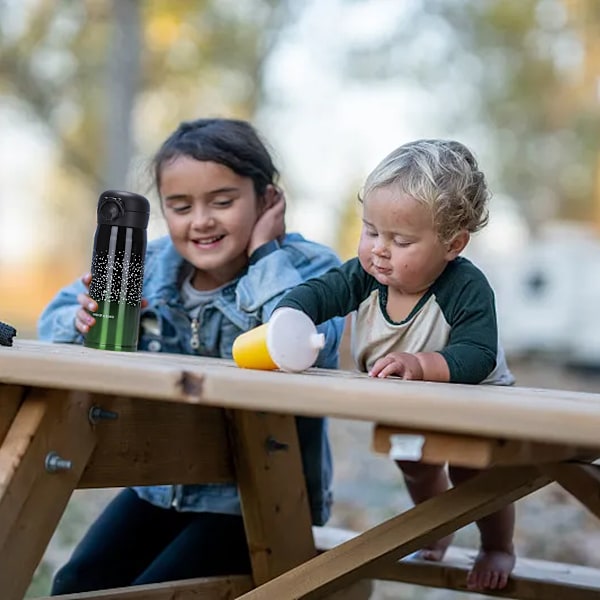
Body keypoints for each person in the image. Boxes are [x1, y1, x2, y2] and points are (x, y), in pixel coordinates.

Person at [38, 118, 345, 594]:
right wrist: (83, 322)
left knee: (160, 589)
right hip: (160, 489)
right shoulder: (150, 263)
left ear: (267, 200)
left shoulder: (310, 268)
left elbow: (309, 346)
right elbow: (52, 320)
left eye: (222, 202)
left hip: (257, 497)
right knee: (77, 582)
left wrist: (265, 257)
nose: (200, 220)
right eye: (179, 206)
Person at [273, 138, 516, 592]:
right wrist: (292, 314)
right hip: (407, 402)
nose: (379, 250)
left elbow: (479, 354)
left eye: (400, 240)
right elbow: (319, 292)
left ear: (452, 244)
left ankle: (496, 545)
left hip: (476, 402)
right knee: (415, 465)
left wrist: (421, 364)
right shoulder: (364, 276)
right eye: (371, 231)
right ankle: (436, 526)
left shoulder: (467, 287)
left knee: (473, 473)